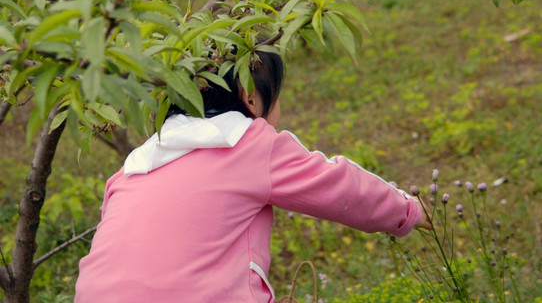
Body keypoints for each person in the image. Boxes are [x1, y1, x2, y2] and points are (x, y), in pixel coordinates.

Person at [74, 48, 432, 303]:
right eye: (276, 98)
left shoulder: (133, 166)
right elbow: (340, 188)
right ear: (250, 97)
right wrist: (408, 211)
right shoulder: (249, 144)